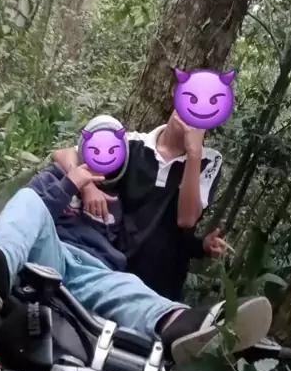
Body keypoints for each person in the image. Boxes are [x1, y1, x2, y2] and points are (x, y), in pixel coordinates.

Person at [0, 117, 271, 364]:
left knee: (129, 288)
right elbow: (43, 194)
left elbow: (156, 232)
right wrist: (77, 183)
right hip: (51, 253)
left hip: (95, 271)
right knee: (27, 200)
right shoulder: (57, 178)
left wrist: (199, 246)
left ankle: (182, 324)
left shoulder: (119, 196)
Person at [53, 111, 228, 302]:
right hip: (110, 268)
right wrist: (87, 186)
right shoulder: (131, 143)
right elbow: (64, 154)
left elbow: (186, 219)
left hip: (159, 284)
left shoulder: (208, 161)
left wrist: (194, 153)